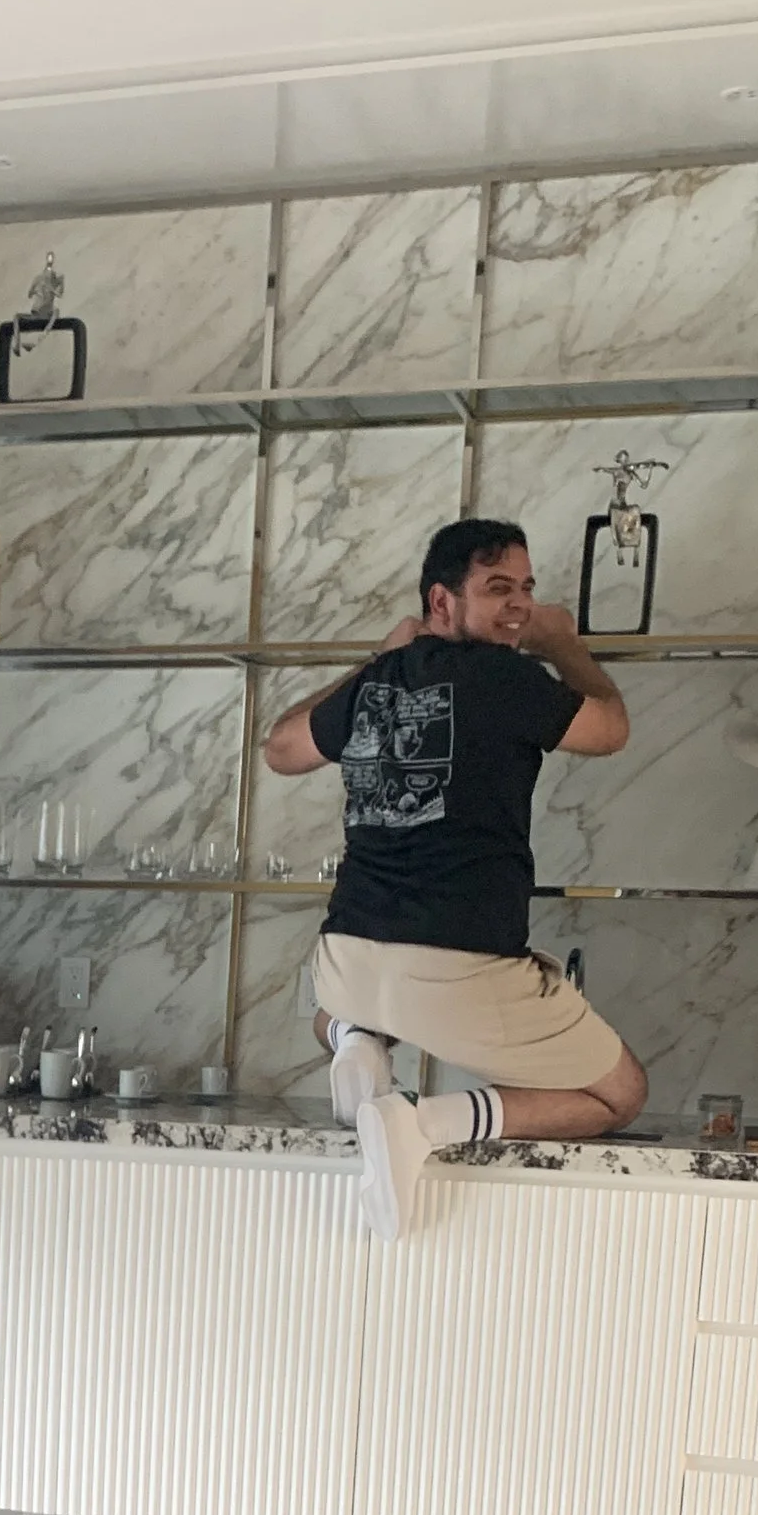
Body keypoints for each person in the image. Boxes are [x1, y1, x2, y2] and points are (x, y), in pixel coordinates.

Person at [262, 518, 639, 1239]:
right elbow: (611, 728)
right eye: (498, 589)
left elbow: (281, 746)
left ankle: (355, 1042)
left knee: (329, 1014)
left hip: (345, 960)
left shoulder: (379, 682)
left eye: (527, 589)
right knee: (617, 1093)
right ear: (442, 602)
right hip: (456, 965)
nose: (519, 606)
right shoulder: (507, 677)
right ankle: (422, 1121)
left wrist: (375, 664)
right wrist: (564, 646)